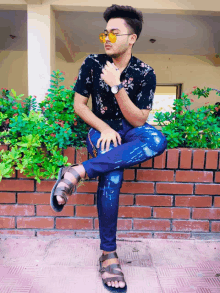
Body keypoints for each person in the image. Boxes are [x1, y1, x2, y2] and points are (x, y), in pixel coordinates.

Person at [50, 4, 167, 292]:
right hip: (101, 130)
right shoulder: (92, 63)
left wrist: (117, 86)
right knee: (112, 175)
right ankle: (108, 254)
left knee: (156, 140)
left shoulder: (145, 72)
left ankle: (77, 171)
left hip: (131, 129)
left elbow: (140, 119)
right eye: (105, 33)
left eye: (115, 33)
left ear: (132, 38)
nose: (107, 38)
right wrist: (104, 128)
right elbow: (79, 106)